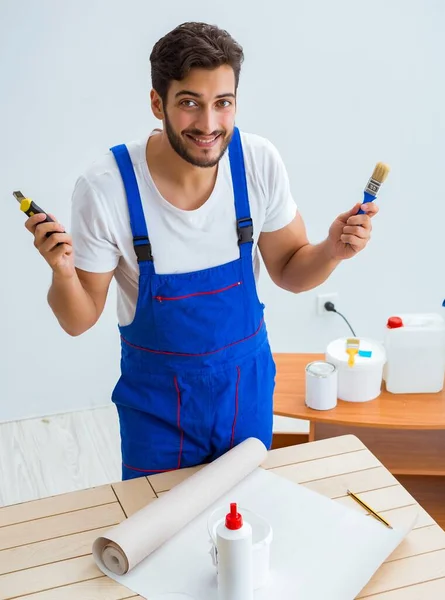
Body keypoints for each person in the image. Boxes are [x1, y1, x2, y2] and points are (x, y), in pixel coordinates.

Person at [25, 22, 378, 480]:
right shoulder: (106, 188)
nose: (209, 125)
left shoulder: (257, 161)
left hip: (245, 392)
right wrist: (61, 271)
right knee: (156, 535)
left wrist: (331, 249)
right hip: (157, 409)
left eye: (223, 103)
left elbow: (290, 271)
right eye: (190, 103)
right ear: (158, 103)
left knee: (244, 524)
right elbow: (78, 319)